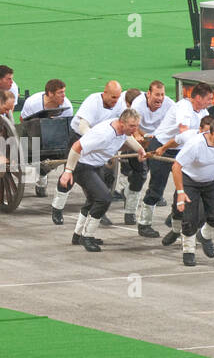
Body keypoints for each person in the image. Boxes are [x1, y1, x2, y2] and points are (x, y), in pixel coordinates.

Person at [137, 82, 214, 239]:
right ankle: (144, 223)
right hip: (163, 147)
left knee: (184, 188)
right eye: (209, 98)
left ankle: (175, 216)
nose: (211, 102)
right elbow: (183, 132)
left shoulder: (203, 112)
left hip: (181, 150)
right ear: (198, 98)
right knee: (156, 189)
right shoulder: (184, 108)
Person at [56, 108, 145, 252]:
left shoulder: (122, 130)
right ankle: (87, 236)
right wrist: (67, 171)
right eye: (132, 126)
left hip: (95, 166)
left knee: (92, 200)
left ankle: (78, 235)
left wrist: (140, 149)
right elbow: (76, 146)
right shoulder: (103, 134)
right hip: (82, 166)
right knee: (104, 198)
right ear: (122, 123)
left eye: (137, 126)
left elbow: (126, 138)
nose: (135, 129)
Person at [165, 116, 214, 265]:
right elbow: (176, 167)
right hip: (190, 181)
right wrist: (181, 192)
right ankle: (188, 250)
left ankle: (205, 236)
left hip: (212, 180)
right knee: (190, 219)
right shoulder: (195, 144)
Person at [50, 80, 124, 225]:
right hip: (80, 137)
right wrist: (96, 142)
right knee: (70, 175)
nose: (116, 100)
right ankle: (57, 208)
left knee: (103, 177)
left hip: (100, 142)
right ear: (105, 93)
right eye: (113, 97)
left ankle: (97, 209)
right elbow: (83, 126)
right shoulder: (93, 101)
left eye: (118, 97)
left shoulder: (119, 103)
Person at [120, 81, 174, 225]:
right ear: (148, 94)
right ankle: (130, 211)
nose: (160, 98)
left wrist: (157, 140)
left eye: (162, 94)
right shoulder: (138, 104)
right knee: (141, 174)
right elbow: (134, 128)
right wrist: (143, 138)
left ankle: (153, 194)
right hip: (138, 141)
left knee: (158, 173)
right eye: (157, 94)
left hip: (158, 142)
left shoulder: (170, 105)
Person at [18, 78, 73, 197]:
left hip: (54, 137)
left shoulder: (67, 105)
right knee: (34, 155)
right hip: (32, 134)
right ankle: (40, 178)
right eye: (60, 93)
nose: (64, 96)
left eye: (64, 92)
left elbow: (65, 127)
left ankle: (42, 178)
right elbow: (23, 121)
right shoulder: (32, 103)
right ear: (50, 94)